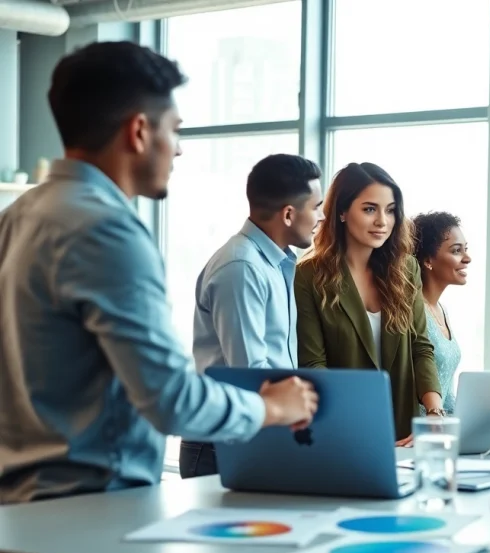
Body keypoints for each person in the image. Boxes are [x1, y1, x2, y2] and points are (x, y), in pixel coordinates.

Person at [0, 41, 317, 504]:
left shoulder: (18, 216)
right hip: (91, 505)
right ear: (139, 132)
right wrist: (270, 407)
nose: (179, 150)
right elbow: (170, 398)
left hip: (22, 506)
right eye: (175, 130)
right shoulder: (107, 229)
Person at [179, 154, 325, 479]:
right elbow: (251, 374)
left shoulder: (274, 264)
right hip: (220, 445)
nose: (322, 216)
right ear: (289, 214)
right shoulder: (242, 268)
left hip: (255, 434)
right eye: (316, 207)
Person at [295, 162, 443, 444]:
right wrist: (352, 418)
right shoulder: (309, 275)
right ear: (341, 211)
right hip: (343, 429)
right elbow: (313, 363)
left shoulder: (406, 269)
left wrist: (434, 413)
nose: (382, 222)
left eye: (390, 210)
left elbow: (421, 348)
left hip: (404, 431)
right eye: (369, 209)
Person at [411, 211, 472, 414]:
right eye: (456, 251)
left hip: (442, 423)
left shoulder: (441, 310)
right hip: (418, 427)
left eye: (465, 249)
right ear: (428, 260)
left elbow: (447, 393)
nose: (467, 258)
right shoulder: (412, 311)